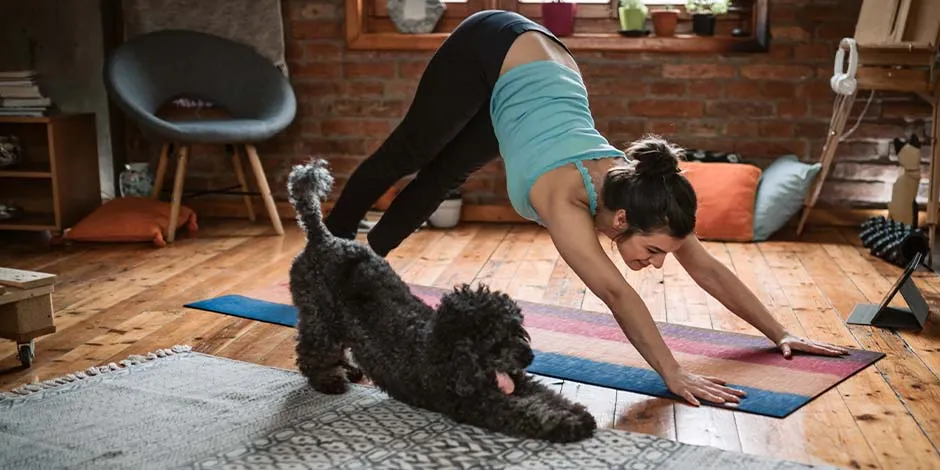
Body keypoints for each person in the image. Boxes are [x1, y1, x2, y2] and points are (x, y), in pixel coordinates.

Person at [324, 10, 850, 406]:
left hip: (541, 69)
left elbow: (706, 266)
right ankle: (328, 247)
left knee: (446, 175)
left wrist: (778, 332)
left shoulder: (646, 199)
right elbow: (617, 293)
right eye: (654, 251)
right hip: (493, 44)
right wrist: (673, 373)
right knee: (411, 154)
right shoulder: (564, 200)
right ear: (620, 222)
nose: (659, 263)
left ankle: (365, 256)